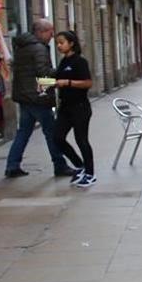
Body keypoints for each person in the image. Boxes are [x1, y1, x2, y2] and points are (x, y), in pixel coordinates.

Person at [4, 18, 71, 178]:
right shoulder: (39, 48)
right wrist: (61, 72)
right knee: (51, 132)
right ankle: (60, 165)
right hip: (37, 97)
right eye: (50, 32)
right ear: (40, 32)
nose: (52, 35)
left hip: (25, 96)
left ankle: (12, 166)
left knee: (24, 132)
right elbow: (43, 73)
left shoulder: (22, 46)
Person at [51, 31, 96, 188]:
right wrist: (49, 83)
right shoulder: (63, 62)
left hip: (80, 107)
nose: (58, 45)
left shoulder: (80, 62)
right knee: (57, 137)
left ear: (71, 43)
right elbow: (58, 79)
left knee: (81, 139)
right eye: (57, 42)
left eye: (61, 42)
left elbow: (88, 83)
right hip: (65, 107)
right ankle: (79, 165)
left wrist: (68, 83)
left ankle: (90, 173)